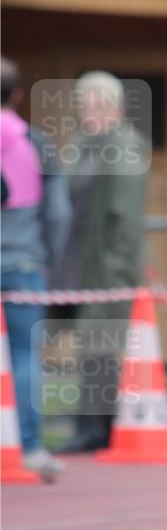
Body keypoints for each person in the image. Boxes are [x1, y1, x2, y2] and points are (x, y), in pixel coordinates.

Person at [55, 71, 149, 453]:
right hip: (79, 264)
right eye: (83, 104)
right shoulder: (83, 145)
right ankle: (98, 426)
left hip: (108, 267)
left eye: (97, 104)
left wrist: (118, 272)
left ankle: (96, 429)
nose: (88, 111)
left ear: (116, 107)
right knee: (92, 347)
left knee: (99, 347)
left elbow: (123, 217)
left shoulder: (124, 145)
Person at [0, 56, 71, 480]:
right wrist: (48, 255)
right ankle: (29, 447)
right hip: (24, 261)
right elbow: (59, 213)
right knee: (26, 356)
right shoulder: (36, 141)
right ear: (18, 95)